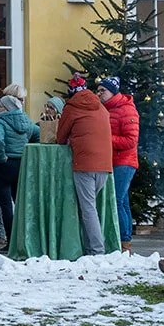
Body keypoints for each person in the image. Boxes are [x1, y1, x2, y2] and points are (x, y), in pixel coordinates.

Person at [55, 75, 111, 256]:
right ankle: (90, 247)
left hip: (85, 163)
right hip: (104, 164)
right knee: (91, 208)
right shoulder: (101, 106)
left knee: (88, 209)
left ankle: (96, 250)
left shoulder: (71, 108)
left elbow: (60, 138)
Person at [0, 85, 39, 253]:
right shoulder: (26, 120)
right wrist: (29, 151)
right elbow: (38, 134)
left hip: (5, 167)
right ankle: (27, 239)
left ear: (6, 107)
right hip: (22, 165)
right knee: (21, 203)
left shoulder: (0, 121)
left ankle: (10, 242)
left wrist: (1, 158)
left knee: (6, 206)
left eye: (2, 106)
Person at [98, 76, 140, 252]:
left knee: (117, 199)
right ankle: (124, 239)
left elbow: (131, 140)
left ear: (112, 92)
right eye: (98, 90)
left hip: (124, 161)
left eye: (102, 91)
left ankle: (124, 241)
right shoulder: (104, 109)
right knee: (122, 201)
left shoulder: (126, 110)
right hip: (112, 159)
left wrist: (106, 139)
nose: (98, 93)